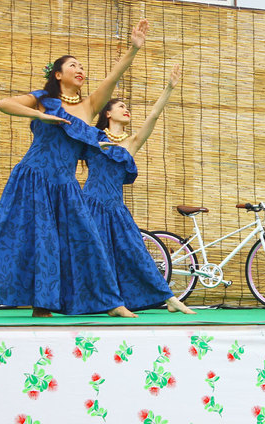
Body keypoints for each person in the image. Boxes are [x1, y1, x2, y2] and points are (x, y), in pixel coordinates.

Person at [0, 19, 150, 317]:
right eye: (72, 66)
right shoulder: (44, 100)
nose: (80, 70)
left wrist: (133, 48)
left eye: (82, 67)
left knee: (86, 239)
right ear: (58, 74)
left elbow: (115, 76)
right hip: (34, 177)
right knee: (38, 240)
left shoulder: (90, 105)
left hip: (65, 184)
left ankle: (111, 302)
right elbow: (4, 103)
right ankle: (42, 306)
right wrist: (41, 117)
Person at [83, 64, 194, 314]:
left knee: (135, 252)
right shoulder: (92, 137)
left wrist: (169, 88)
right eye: (120, 106)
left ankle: (169, 299)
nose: (126, 109)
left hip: (116, 208)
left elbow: (153, 116)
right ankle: (111, 303)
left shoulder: (131, 142)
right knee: (96, 254)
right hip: (90, 204)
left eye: (127, 107)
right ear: (108, 114)